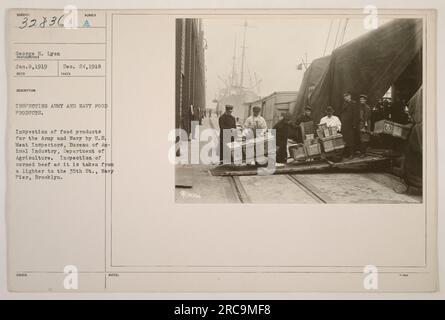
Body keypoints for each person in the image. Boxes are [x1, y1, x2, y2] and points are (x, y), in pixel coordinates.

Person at [340, 91, 360, 158]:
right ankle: (347, 153)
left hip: (350, 124)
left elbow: (356, 115)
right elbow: (343, 113)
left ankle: (352, 154)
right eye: (344, 97)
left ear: (350, 96)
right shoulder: (344, 104)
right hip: (344, 124)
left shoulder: (353, 103)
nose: (345, 98)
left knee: (351, 139)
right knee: (345, 139)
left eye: (346, 96)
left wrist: (354, 124)